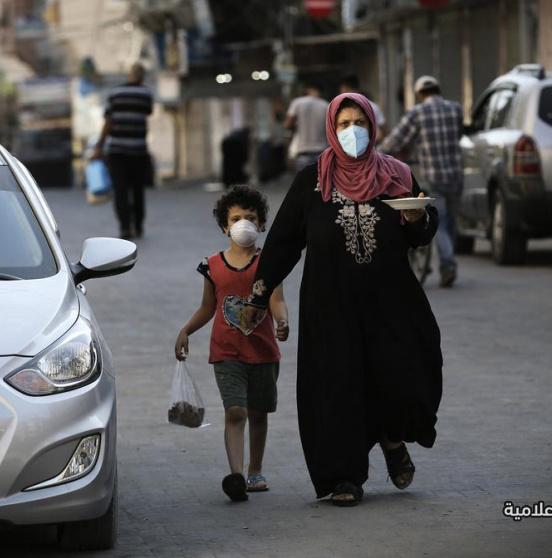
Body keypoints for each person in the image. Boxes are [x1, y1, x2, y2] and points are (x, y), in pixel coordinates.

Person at [242, 93, 443, 506]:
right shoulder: (312, 181)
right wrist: (260, 294)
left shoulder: (398, 175)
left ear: (373, 124)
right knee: (338, 387)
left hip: (391, 303)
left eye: (361, 122)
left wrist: (417, 219)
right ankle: (344, 477)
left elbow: (421, 236)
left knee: (402, 376)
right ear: (333, 128)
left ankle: (391, 439)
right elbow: (283, 242)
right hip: (330, 306)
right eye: (345, 122)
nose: (354, 130)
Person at [175, 186, 289, 502]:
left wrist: (282, 321)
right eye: (236, 218)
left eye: (250, 218)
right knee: (235, 411)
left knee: (258, 412)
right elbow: (208, 307)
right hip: (226, 352)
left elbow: (277, 299)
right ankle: (236, 475)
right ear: (224, 227)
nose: (243, 224)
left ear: (262, 224)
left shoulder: (270, 263)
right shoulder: (212, 265)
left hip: (264, 351)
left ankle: (255, 470)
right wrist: (187, 329)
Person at [381, 75, 464, 288]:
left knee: (442, 223)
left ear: (420, 94)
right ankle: (448, 261)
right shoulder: (455, 109)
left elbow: (396, 140)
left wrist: (378, 154)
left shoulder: (418, 113)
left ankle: (448, 265)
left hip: (433, 175)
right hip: (456, 174)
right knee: (452, 222)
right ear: (438, 89)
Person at [92, 62, 153, 240]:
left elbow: (108, 123)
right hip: (139, 151)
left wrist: (99, 146)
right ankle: (139, 226)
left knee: (120, 191)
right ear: (142, 77)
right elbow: (147, 113)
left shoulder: (115, 93)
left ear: (129, 75)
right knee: (138, 190)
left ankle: (125, 228)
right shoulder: (146, 94)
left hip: (117, 151)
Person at [285, 82, 328, 171]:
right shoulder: (325, 105)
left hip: (303, 152)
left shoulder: (297, 103)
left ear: (308, 90)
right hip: (322, 152)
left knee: (304, 183)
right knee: (321, 183)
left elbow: (288, 125)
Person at [339, 74, 387, 140]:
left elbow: (383, 128)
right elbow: (383, 127)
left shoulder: (372, 106)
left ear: (347, 89)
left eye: (343, 92)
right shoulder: (373, 106)